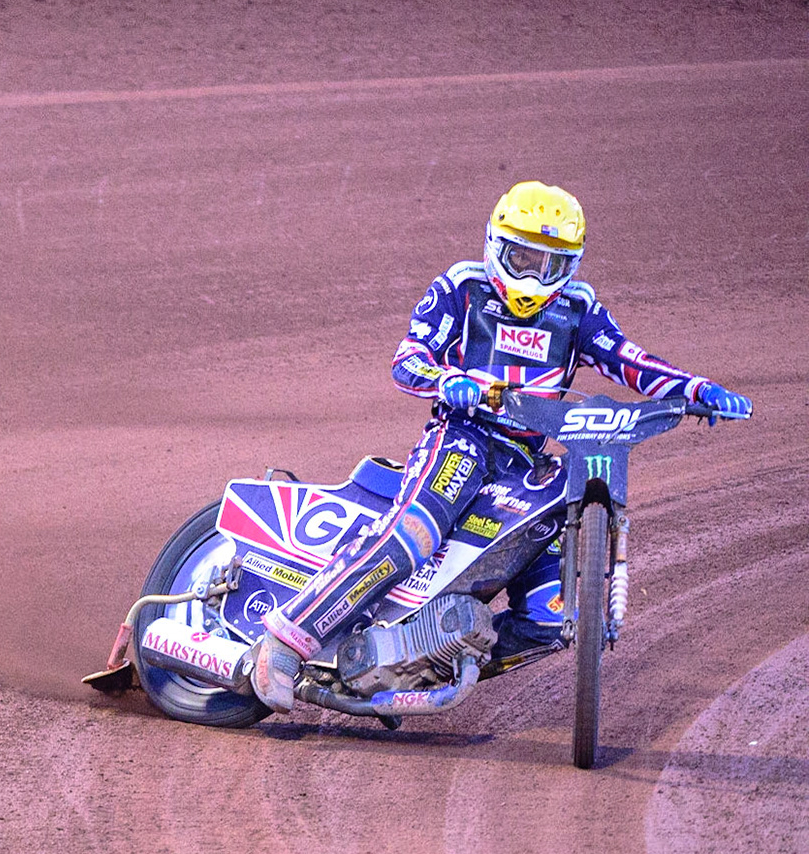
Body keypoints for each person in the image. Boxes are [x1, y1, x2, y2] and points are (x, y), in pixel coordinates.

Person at [246, 182, 752, 712]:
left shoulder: (579, 310)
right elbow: (408, 359)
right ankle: (285, 642)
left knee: (553, 619)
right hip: (463, 437)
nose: (533, 276)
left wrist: (697, 390)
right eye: (522, 257)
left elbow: (631, 362)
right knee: (414, 532)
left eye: (550, 264)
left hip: (526, 464)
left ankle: (422, 661)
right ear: (495, 245)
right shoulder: (462, 287)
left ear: (571, 265)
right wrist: (448, 381)